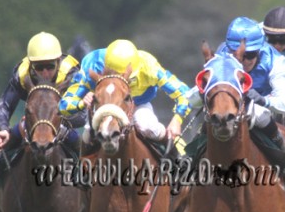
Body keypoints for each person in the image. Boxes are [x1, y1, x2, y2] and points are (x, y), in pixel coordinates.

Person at [216, 16, 285, 194]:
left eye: (251, 55)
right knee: (209, 122)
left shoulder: (275, 60)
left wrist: (264, 100)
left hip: (260, 109)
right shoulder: (220, 56)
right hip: (227, 107)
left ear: (260, 49)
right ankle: (189, 166)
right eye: (238, 55)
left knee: (261, 116)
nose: (244, 61)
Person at [0, 32, 85, 178]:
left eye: (50, 66)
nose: (45, 73)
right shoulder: (22, 74)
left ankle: (86, 170)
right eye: (39, 67)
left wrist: (55, 120)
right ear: (31, 65)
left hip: (62, 119)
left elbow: (82, 116)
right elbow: (4, 107)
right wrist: (4, 129)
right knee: (21, 126)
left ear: (58, 62)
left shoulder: (71, 74)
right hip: (32, 119)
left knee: (71, 136)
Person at [59, 39, 192, 144]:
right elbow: (63, 105)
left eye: (127, 79)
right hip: (104, 106)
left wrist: (177, 120)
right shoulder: (93, 63)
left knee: (147, 126)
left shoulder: (149, 67)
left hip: (138, 105)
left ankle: (176, 153)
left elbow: (185, 94)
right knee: (87, 136)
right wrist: (81, 103)